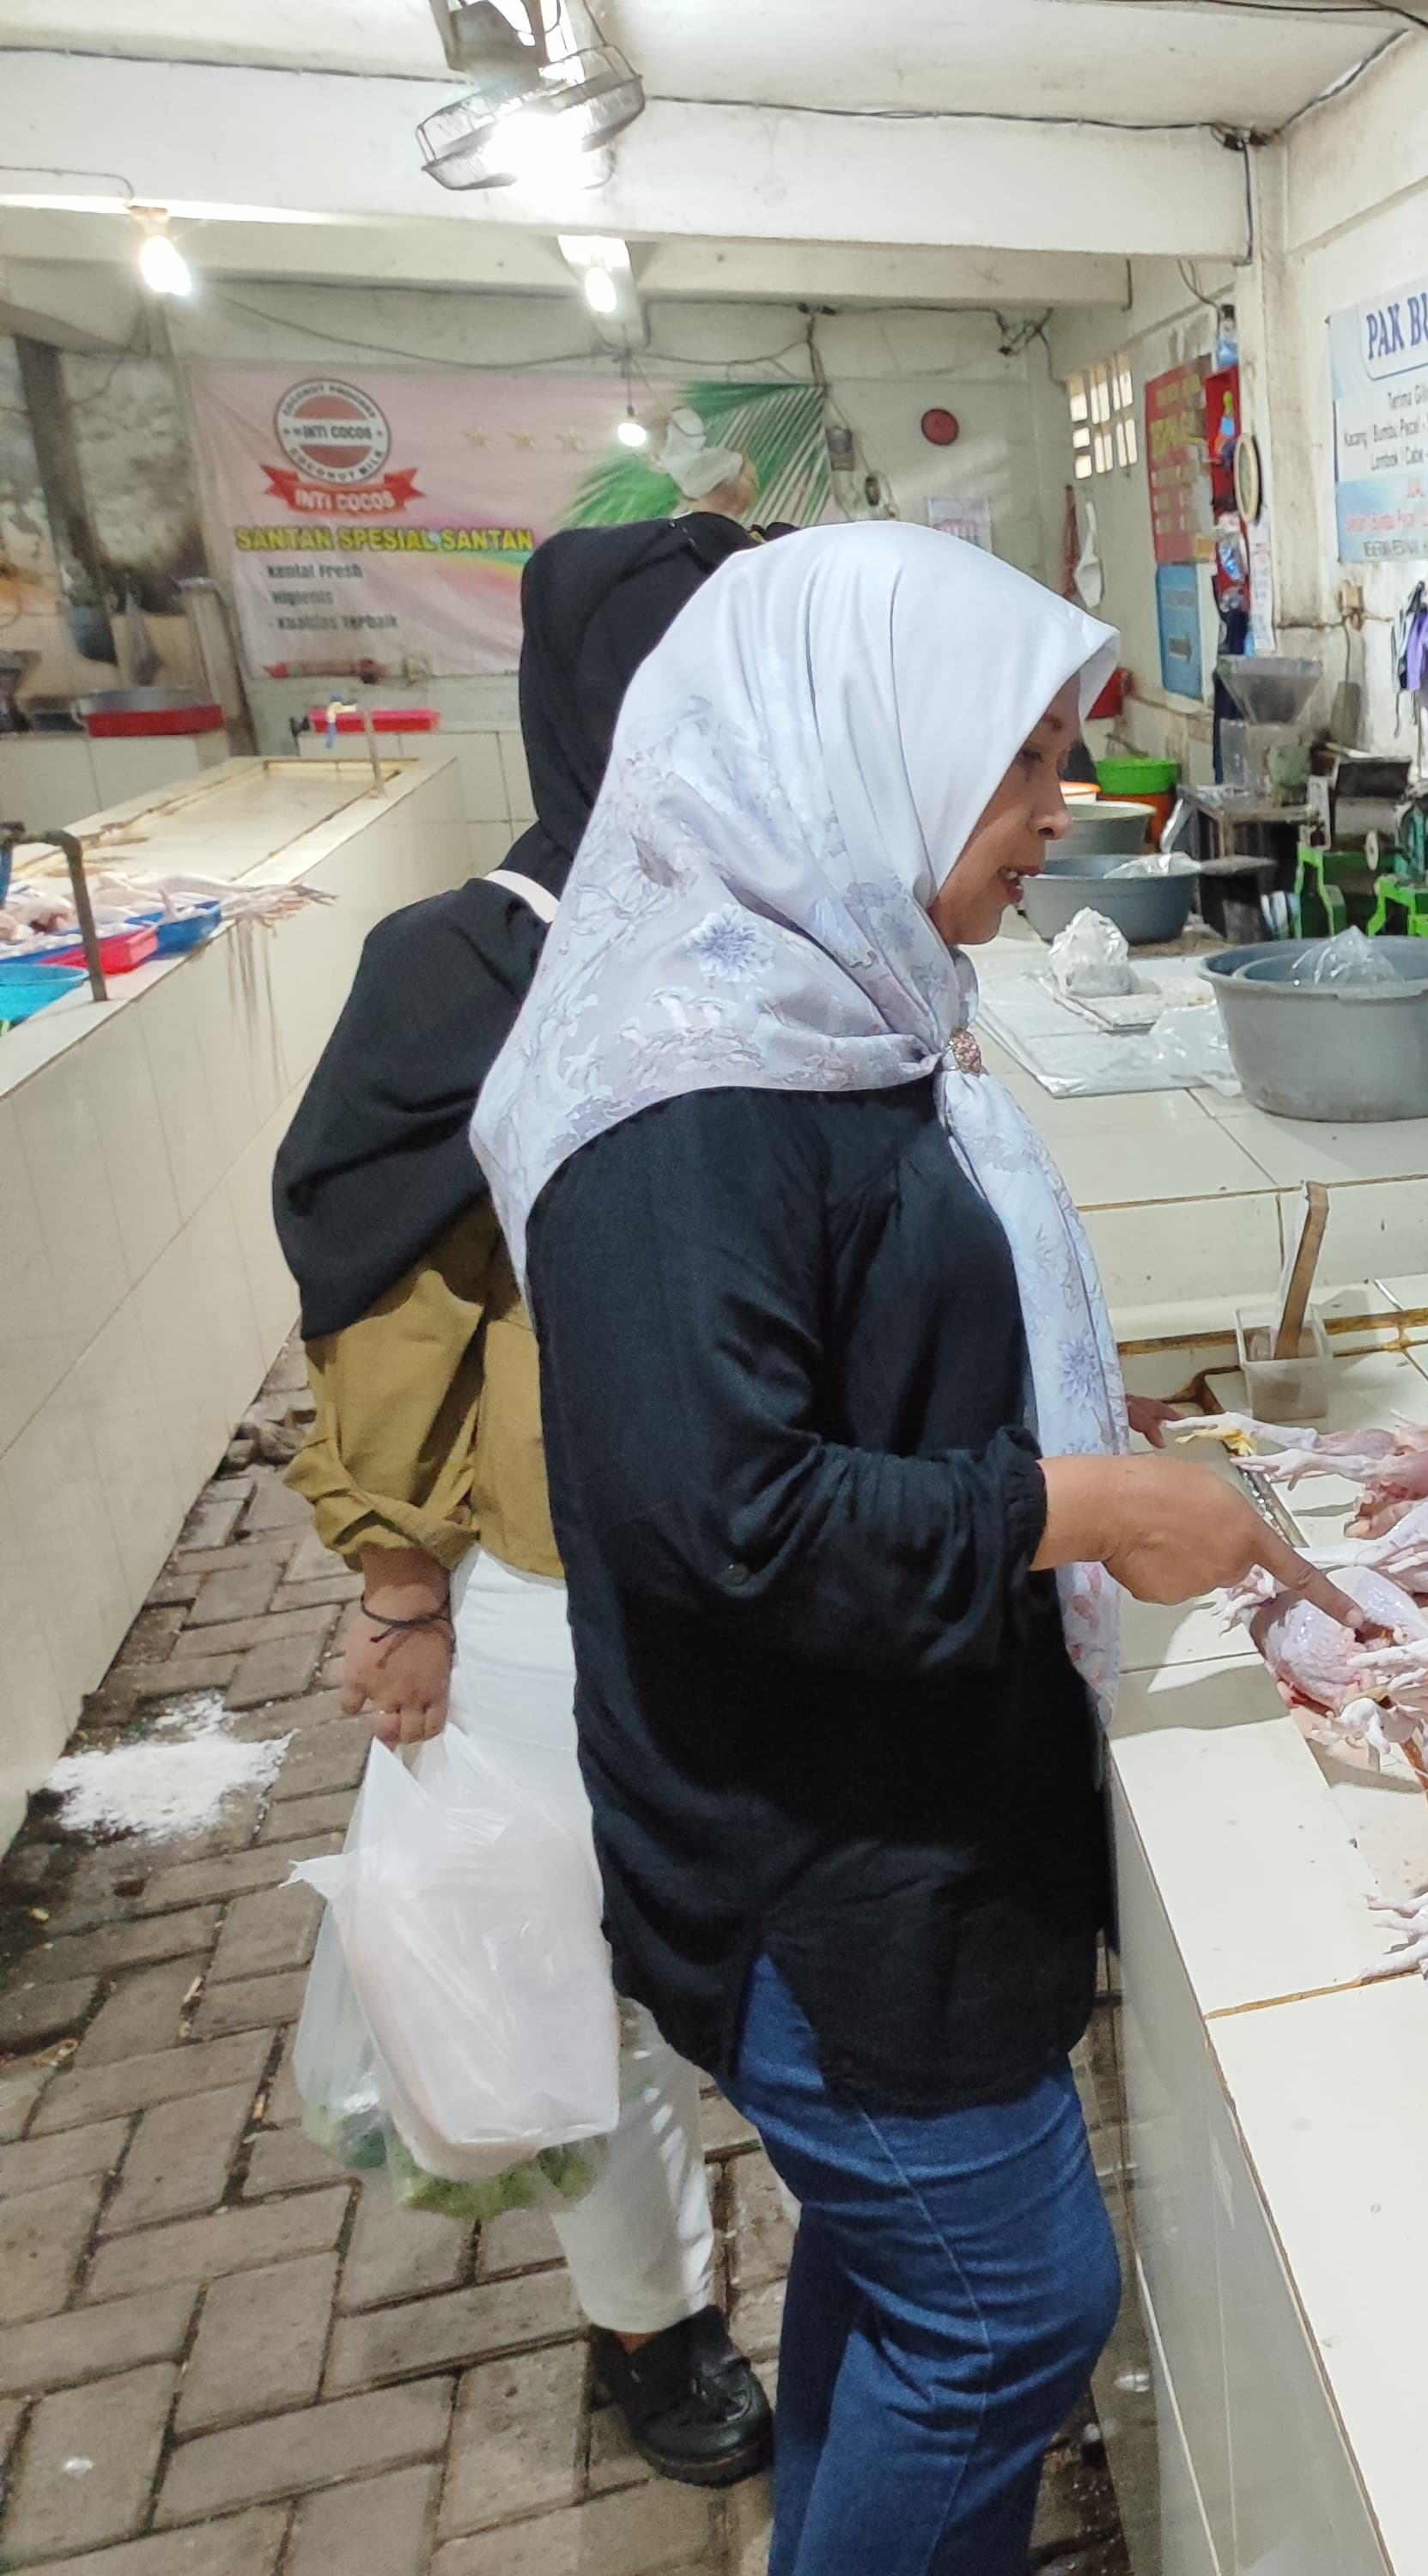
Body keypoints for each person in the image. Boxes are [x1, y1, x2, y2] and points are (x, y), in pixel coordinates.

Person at [470, 522, 1360, 2574]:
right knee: (1008, 2305)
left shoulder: (829, 1002)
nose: (1062, 818)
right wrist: (1085, 1501)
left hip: (903, 1800)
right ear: (848, 748)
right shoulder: (677, 1108)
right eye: (1027, 766)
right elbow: (729, 1516)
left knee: (900, 2261)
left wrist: (1066, 1424)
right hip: (819, 1867)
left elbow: (871, 1355)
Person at [273, 508, 772, 2485]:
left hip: (772, 1549)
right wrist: (396, 1587)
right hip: (557, 1585)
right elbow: (388, 1313)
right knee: (587, 1980)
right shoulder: (469, 964)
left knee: (763, 1944)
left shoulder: (784, 921)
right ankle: (647, 2323)